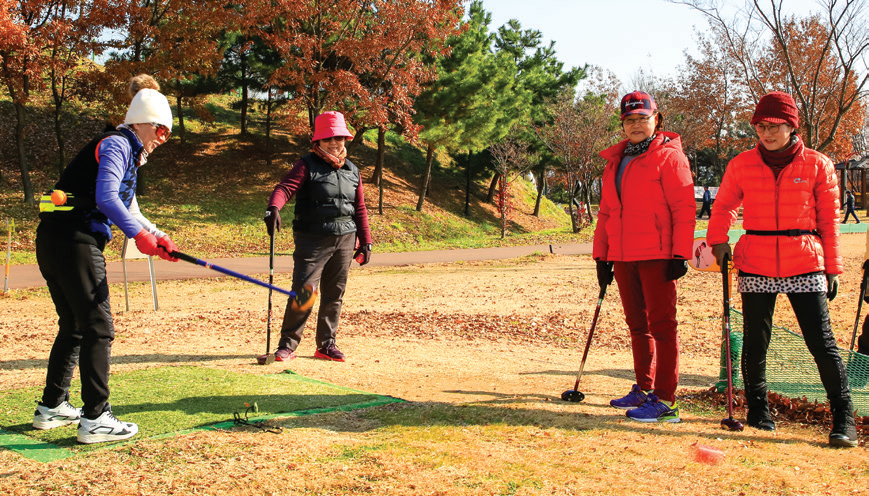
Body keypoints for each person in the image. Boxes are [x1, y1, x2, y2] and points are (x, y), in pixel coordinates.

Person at [708, 91, 857, 447]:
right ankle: (758, 411)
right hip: (756, 258)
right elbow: (725, 204)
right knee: (755, 341)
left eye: (775, 126)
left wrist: (832, 268)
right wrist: (718, 240)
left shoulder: (818, 164)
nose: (767, 132)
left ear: (792, 126)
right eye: (761, 126)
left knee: (821, 342)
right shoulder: (741, 164)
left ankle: (844, 418)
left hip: (804, 260)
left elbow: (829, 221)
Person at [33, 80, 179, 444]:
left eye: (168, 133)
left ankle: (52, 407)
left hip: (55, 240)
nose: (163, 138)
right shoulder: (117, 143)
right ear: (143, 123)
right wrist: (138, 236)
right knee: (98, 327)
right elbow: (107, 198)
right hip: (74, 241)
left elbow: (128, 206)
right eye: (160, 129)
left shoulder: (126, 150)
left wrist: (156, 234)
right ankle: (95, 417)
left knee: (75, 326)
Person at [593, 91, 696, 423]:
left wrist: (679, 253)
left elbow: (684, 208)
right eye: (629, 120)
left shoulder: (670, 157)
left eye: (642, 118)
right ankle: (644, 386)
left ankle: (666, 399)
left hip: (657, 254)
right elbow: (607, 212)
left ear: (657, 119)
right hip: (623, 255)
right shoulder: (616, 161)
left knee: (663, 326)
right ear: (622, 124)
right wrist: (602, 256)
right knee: (637, 325)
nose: (636, 125)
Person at [263, 111, 372, 363]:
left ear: (345, 139)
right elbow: (284, 188)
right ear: (318, 141)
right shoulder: (307, 165)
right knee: (306, 291)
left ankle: (326, 344)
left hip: (345, 238)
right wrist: (274, 207)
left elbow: (360, 208)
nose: (334, 143)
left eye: (339, 137)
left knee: (334, 293)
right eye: (328, 138)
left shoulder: (353, 170)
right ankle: (288, 344)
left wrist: (365, 241)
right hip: (312, 238)